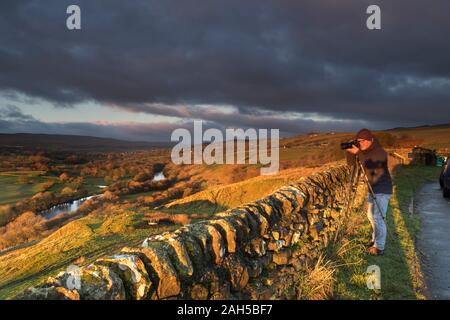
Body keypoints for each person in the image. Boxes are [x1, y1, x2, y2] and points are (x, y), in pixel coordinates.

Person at [346, 128, 393, 256]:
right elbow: (351, 164)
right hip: (373, 188)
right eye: (359, 141)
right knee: (370, 215)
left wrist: (359, 152)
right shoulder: (364, 151)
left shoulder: (379, 152)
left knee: (378, 218)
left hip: (382, 189)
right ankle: (374, 239)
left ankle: (379, 247)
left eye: (362, 141)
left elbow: (370, 165)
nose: (361, 144)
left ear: (369, 140)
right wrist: (350, 152)